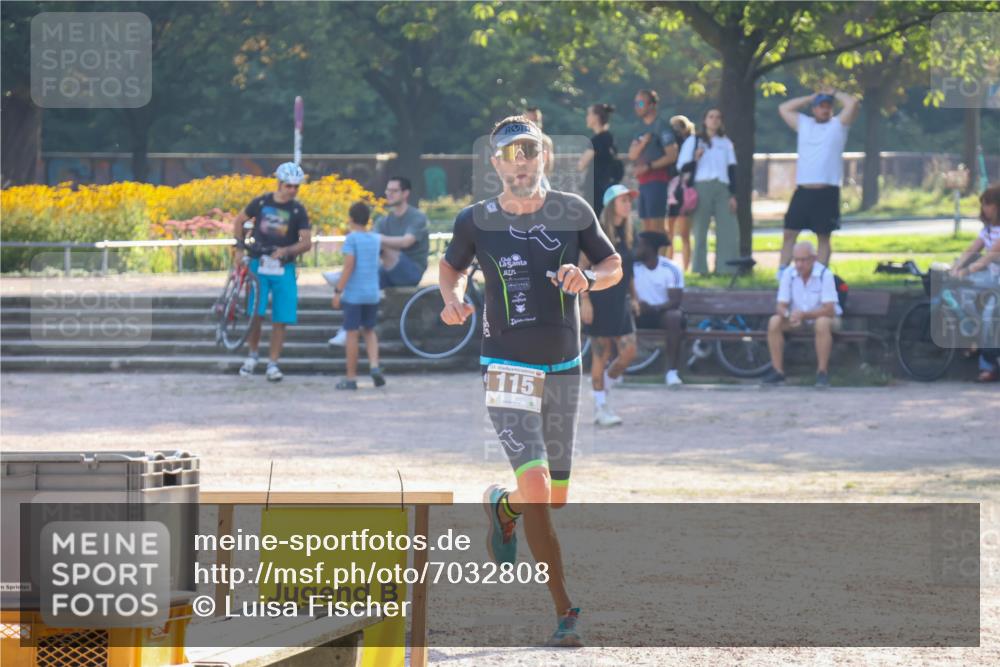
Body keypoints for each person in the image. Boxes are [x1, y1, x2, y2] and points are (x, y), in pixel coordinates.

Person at [438, 115, 622, 647]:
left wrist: (588, 277)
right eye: (510, 153)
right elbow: (451, 270)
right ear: (495, 163)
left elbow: (612, 263)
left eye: (529, 151)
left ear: (544, 156)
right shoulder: (475, 220)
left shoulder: (573, 211)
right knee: (540, 487)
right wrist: (451, 298)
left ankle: (503, 505)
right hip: (507, 366)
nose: (521, 161)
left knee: (553, 497)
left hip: (564, 365)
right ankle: (566, 609)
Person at [232, 162, 312, 382]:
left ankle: (273, 362)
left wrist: (287, 250)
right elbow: (239, 220)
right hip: (260, 263)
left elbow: (306, 242)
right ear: (280, 184)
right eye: (289, 186)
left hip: (283, 266)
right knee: (255, 313)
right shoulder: (262, 202)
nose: (293, 190)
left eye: (296, 187)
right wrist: (239, 248)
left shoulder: (298, 210)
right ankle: (253, 355)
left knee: (281, 317)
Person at [328, 176, 429, 346]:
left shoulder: (417, 217)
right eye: (387, 190)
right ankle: (346, 329)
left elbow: (406, 242)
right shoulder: (384, 220)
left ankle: (342, 277)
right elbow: (369, 243)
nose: (389, 194)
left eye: (394, 190)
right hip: (388, 271)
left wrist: (376, 238)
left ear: (405, 193)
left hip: (411, 272)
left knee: (381, 245)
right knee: (356, 282)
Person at [778, 87, 859, 271]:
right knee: (789, 233)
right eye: (820, 106)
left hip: (827, 190)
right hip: (804, 189)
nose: (825, 110)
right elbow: (784, 108)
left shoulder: (838, 125)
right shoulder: (804, 124)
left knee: (823, 236)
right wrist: (809, 97)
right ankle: (782, 272)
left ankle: (821, 274)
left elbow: (852, 103)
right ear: (814, 109)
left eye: (828, 106)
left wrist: (835, 92)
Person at [580, 185, 639, 426]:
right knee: (600, 354)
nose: (628, 204)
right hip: (598, 299)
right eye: (623, 200)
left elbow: (628, 271)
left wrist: (634, 296)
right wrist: (584, 301)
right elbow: (581, 267)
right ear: (611, 204)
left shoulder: (628, 232)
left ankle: (603, 387)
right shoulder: (597, 233)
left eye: (629, 200)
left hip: (620, 300)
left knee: (629, 351)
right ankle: (600, 406)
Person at [761, 241, 843, 388]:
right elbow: (780, 306)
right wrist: (789, 315)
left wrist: (804, 315)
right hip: (798, 319)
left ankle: (822, 373)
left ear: (813, 259)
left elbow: (829, 310)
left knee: (822, 323)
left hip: (824, 318)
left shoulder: (825, 275)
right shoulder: (788, 274)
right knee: (774, 321)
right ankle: (777, 371)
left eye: (803, 260)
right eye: (796, 260)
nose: (799, 264)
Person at [330, 202, 386, 390]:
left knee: (352, 334)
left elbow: (349, 266)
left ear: (351, 219)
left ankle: (351, 377)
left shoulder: (351, 239)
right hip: (372, 293)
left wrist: (338, 290)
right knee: (369, 331)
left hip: (354, 294)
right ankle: (374, 366)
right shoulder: (376, 239)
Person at [678, 108, 739, 275]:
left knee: (727, 228)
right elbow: (681, 167)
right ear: (704, 120)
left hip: (722, 187)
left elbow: (732, 170)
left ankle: (726, 268)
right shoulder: (694, 141)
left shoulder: (726, 143)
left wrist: (733, 195)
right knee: (700, 229)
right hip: (701, 186)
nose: (714, 120)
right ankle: (699, 269)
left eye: (718, 117)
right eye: (711, 116)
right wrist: (695, 159)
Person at [949, 182, 1000, 382]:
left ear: (997, 205)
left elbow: (988, 257)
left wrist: (968, 269)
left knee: (990, 317)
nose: (984, 209)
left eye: (987, 204)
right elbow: (973, 249)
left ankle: (987, 365)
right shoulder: (987, 229)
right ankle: (973, 333)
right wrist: (956, 267)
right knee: (961, 291)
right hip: (992, 277)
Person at [632, 231, 686, 387]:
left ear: (649, 247)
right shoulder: (632, 267)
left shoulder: (670, 269)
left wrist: (654, 308)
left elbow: (675, 301)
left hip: (660, 314)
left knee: (674, 317)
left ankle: (672, 372)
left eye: (639, 245)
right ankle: (614, 371)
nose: (636, 248)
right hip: (637, 313)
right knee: (619, 312)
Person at [627, 89, 678, 234]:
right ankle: (649, 256)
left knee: (658, 226)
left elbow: (672, 155)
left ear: (652, 105)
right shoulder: (640, 129)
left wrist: (649, 167)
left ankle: (661, 257)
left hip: (658, 181)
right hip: (643, 183)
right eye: (635, 103)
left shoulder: (662, 126)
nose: (637, 106)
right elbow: (632, 155)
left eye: (641, 102)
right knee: (646, 227)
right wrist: (642, 144)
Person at [576, 103, 621, 217]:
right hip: (608, 187)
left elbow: (581, 165)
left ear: (596, 117)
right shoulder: (610, 138)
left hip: (596, 189)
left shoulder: (597, 140)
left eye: (589, 114)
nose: (587, 117)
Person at [666, 115, 695, 270]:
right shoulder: (669, 146)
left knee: (684, 233)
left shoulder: (691, 144)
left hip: (684, 189)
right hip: (671, 188)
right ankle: (669, 264)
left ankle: (685, 268)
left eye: (679, 126)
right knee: (669, 232)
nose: (676, 130)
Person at [525, 106, 555, 190]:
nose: (533, 124)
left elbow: (548, 167)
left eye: (535, 121)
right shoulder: (516, 141)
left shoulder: (545, 141)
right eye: (529, 121)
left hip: (539, 181)